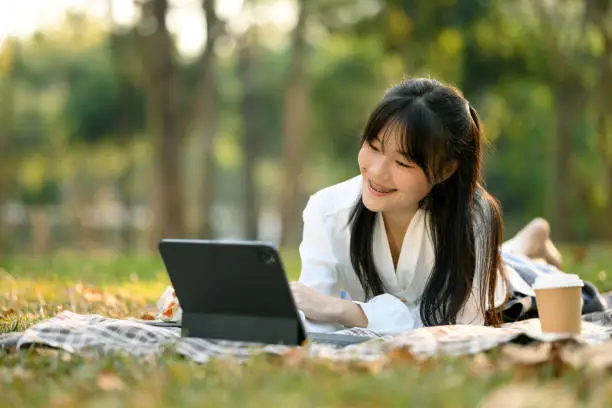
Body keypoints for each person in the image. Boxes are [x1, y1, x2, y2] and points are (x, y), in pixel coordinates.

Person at [288, 78, 577, 334]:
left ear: (445, 170)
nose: (376, 172)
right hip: (480, 261)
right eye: (373, 147)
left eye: (402, 162)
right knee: (506, 256)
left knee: (526, 279)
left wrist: (348, 311)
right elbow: (313, 312)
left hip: (500, 296)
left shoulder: (472, 217)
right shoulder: (327, 210)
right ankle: (527, 242)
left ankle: (529, 245)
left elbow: (460, 327)